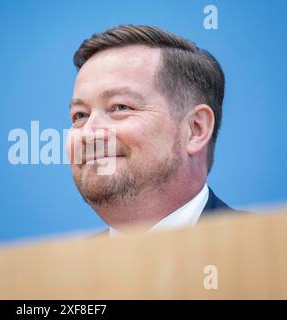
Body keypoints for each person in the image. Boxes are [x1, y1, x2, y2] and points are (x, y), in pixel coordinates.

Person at [66, 25, 243, 236]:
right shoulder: (57, 268)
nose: (88, 134)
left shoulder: (270, 250)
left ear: (195, 129)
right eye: (80, 115)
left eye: (121, 107)